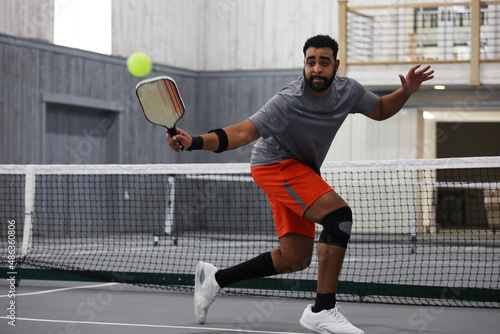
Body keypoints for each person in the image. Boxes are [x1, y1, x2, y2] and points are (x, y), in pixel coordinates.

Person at [167, 34, 434, 334]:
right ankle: (323, 309)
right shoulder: (288, 100)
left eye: (324, 62)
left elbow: (382, 109)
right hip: (274, 164)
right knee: (339, 217)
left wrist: (406, 91)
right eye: (311, 62)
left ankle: (215, 279)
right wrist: (194, 143)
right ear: (304, 65)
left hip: (301, 170)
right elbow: (243, 132)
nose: (316, 69)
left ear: (336, 65)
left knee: (295, 258)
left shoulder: (349, 92)